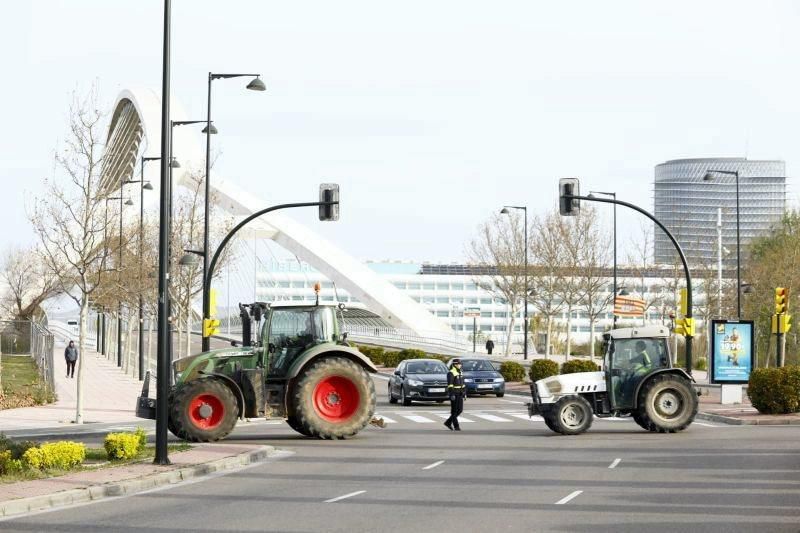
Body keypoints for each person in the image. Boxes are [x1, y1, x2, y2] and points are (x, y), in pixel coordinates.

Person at [444, 358, 466, 431]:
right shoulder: (451, 373)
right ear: (454, 365)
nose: (460, 365)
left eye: (460, 364)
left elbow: (463, 384)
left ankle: (448, 422)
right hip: (454, 394)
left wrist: (464, 393)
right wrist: (452, 394)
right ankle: (456, 426)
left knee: (460, 410)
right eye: (458, 364)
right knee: (454, 411)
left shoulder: (460, 372)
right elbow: (450, 385)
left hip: (460, 393)